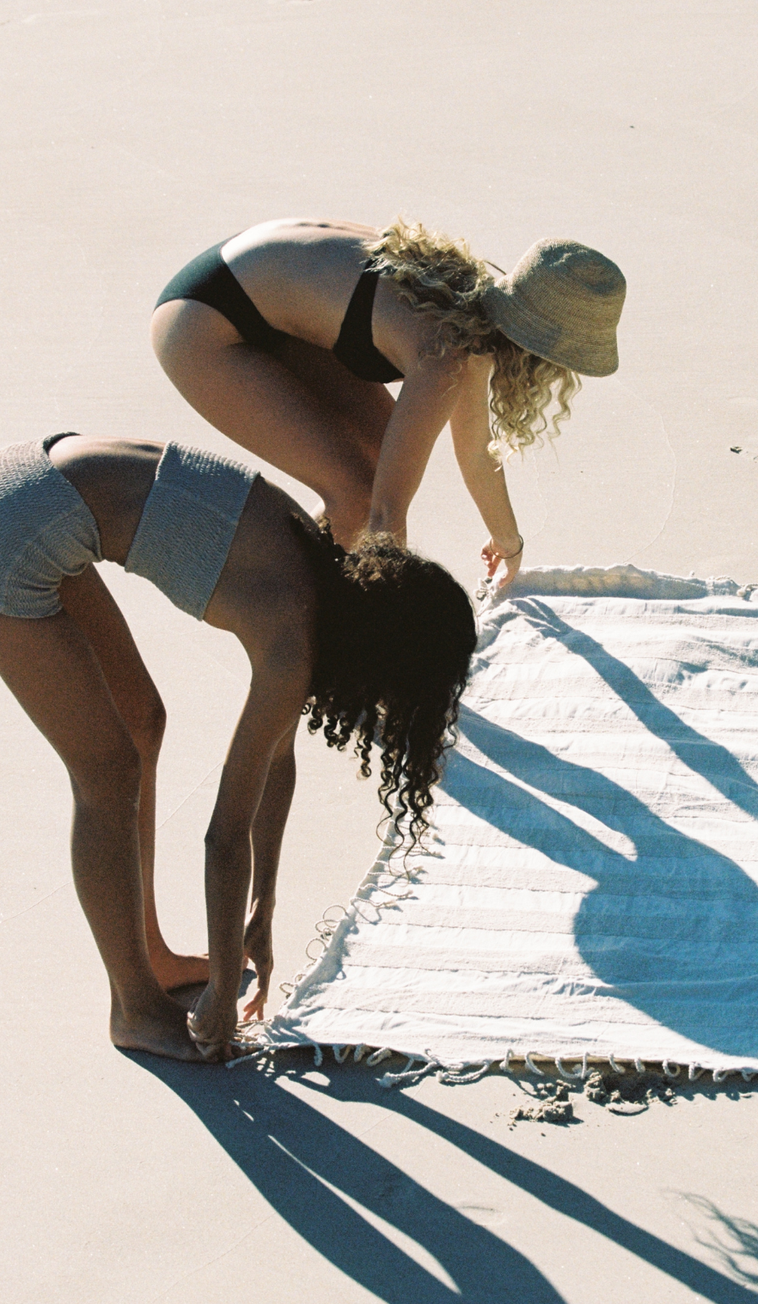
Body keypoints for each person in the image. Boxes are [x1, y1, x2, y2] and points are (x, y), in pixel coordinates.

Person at [0, 432, 476, 1062]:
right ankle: (133, 1009)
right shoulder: (291, 648)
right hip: (17, 535)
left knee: (141, 721)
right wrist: (224, 990)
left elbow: (275, 760)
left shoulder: (318, 564)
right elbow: (225, 836)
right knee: (108, 776)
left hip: (39, 485)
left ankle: (150, 960)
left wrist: (262, 906)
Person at [151, 219, 626, 581]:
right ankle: (283, 606)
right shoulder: (445, 351)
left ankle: (303, 593)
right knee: (359, 492)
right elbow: (386, 516)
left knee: (376, 470)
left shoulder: (478, 307)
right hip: (202, 320)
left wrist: (509, 543)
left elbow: (475, 450)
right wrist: (396, 633)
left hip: (263, 290)